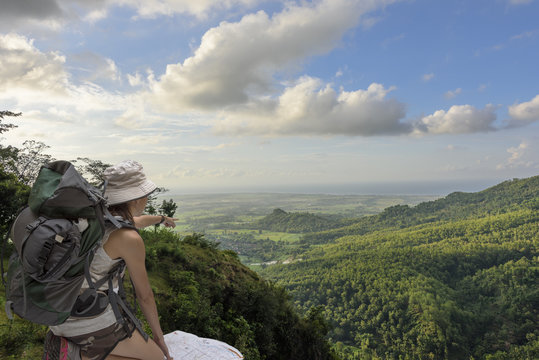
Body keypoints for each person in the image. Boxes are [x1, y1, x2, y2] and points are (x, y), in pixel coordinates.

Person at [47, 160, 174, 360]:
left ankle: (71, 347)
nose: (147, 199)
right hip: (88, 318)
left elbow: (136, 222)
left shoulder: (92, 219)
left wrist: (160, 218)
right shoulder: (129, 239)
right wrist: (159, 339)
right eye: (145, 195)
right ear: (135, 199)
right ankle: (77, 355)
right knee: (157, 358)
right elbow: (145, 296)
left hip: (58, 311)